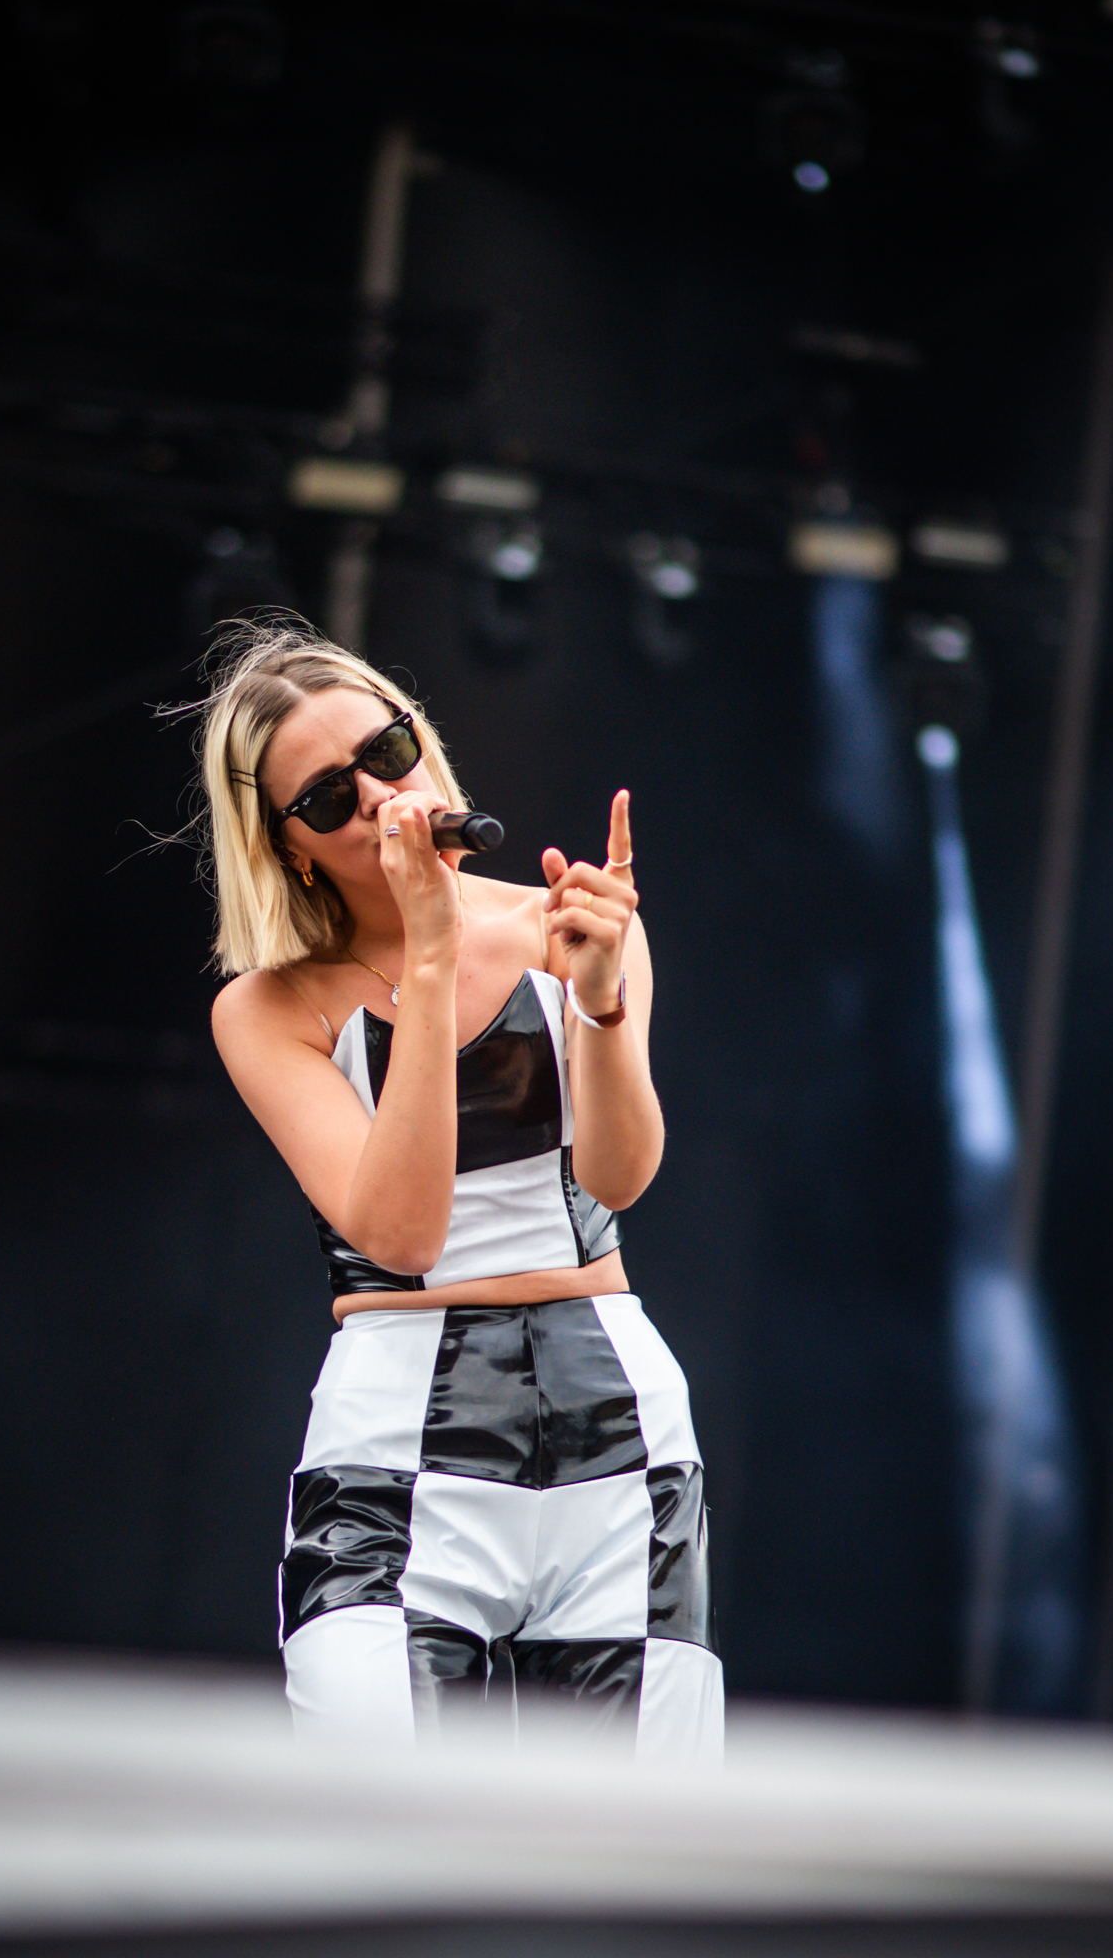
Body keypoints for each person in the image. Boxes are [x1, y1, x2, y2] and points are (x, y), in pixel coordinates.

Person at [201, 616, 722, 1757]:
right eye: (327, 798)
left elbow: (619, 1175)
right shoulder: (271, 1005)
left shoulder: (567, 922)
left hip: (611, 1423)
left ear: (424, 744)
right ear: (289, 847)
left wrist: (600, 1003)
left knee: (637, 1832)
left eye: (386, 753)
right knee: (375, 1804)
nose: (377, 798)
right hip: (396, 1435)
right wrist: (430, 959)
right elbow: (400, 1231)